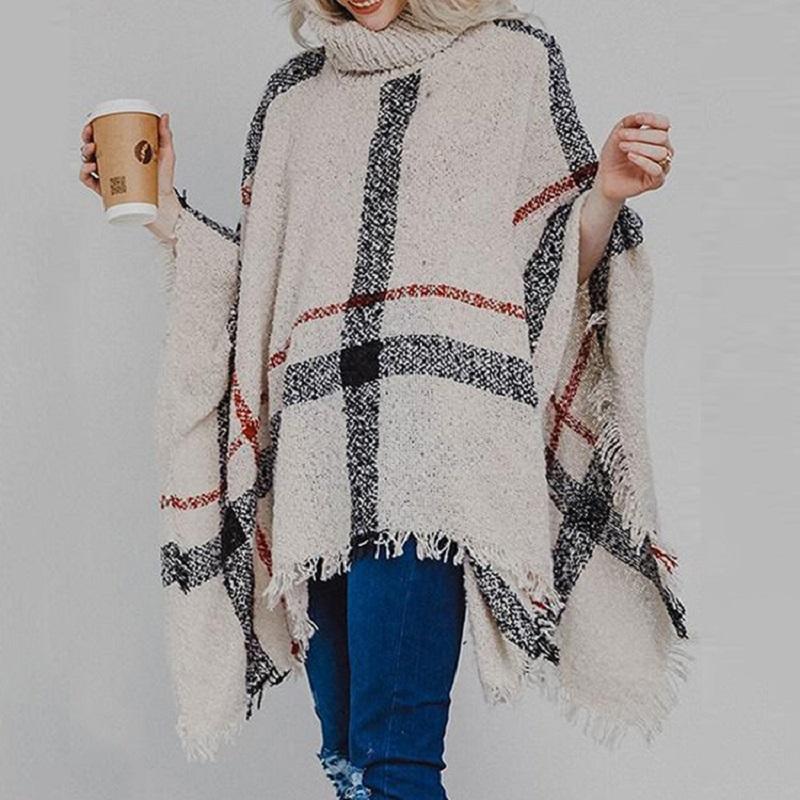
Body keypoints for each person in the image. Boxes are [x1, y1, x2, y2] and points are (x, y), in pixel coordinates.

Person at [79, 1, 678, 798]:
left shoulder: (512, 59)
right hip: (316, 464)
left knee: (394, 758)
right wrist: (163, 215)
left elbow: (547, 263)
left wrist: (603, 193)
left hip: (430, 456)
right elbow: (262, 294)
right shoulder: (293, 98)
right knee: (352, 764)